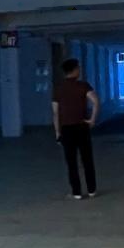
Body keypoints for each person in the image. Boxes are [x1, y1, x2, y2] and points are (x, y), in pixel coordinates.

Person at [52, 57, 100, 200]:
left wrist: (57, 132)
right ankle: (92, 190)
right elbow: (96, 101)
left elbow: (55, 112)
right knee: (87, 159)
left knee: (71, 162)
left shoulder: (58, 89)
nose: (79, 70)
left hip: (66, 129)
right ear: (74, 70)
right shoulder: (83, 86)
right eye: (78, 68)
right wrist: (92, 119)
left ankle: (77, 192)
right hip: (82, 127)